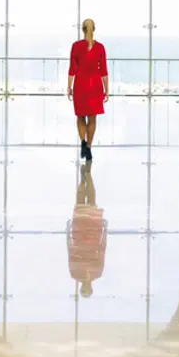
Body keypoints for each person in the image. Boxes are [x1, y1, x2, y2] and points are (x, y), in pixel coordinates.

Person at [68, 18, 108, 161]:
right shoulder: (100, 47)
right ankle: (89, 148)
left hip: (80, 85)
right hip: (95, 86)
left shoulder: (76, 46)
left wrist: (69, 86)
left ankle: (83, 142)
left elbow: (72, 69)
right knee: (92, 118)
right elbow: (103, 71)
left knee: (80, 116)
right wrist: (106, 89)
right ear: (94, 29)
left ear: (82, 29)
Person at [67, 163, 106, 297]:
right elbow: (102, 250)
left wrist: (67, 233)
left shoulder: (74, 274)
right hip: (93, 235)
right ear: (91, 289)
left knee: (79, 203)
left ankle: (84, 179)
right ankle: (88, 175)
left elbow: (70, 251)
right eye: (87, 291)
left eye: (83, 291)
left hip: (79, 235)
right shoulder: (97, 273)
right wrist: (105, 231)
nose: (85, 288)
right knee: (91, 202)